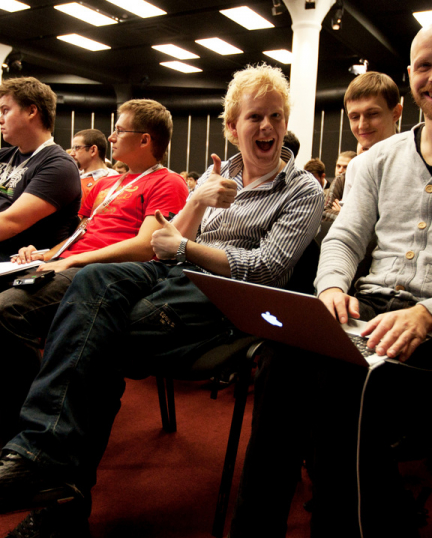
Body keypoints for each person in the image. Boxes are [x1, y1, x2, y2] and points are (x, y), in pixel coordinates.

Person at [229, 19, 432, 538]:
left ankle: (351, 526)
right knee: (281, 356)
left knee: (341, 383)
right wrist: (332, 287)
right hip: (372, 313)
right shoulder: (379, 159)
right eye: (425, 65)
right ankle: (256, 529)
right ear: (410, 74)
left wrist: (428, 315)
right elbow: (343, 239)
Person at [0, 64, 323, 537]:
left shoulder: (303, 188)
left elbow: (266, 269)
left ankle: (53, 489)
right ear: (232, 127)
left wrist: (188, 248)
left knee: (94, 342)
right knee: (94, 282)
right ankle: (45, 467)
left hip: (232, 294)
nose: (267, 126)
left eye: (276, 116)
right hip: (177, 272)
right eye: (255, 117)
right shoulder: (218, 173)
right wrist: (197, 202)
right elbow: (166, 243)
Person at [0, 98, 188, 452]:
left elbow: (144, 246)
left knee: (7, 310)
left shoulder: (169, 182)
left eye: (119, 130)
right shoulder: (108, 184)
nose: (110, 137)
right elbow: (79, 234)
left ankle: (21, 423)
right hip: (71, 263)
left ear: (145, 139)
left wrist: (71, 262)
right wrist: (46, 253)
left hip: (102, 275)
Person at [0, 77, 81, 261]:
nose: (0, 119)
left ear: (31, 111)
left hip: (20, 265)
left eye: (5, 110)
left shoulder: (59, 166)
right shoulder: (3, 155)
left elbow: (11, 222)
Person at [342, 71, 402, 198]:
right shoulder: (356, 165)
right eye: (354, 117)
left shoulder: (415, 160)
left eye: (373, 114)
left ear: (396, 113)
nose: (362, 125)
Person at [67, 129, 118, 205]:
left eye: (77, 148)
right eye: (72, 148)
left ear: (93, 150)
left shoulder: (114, 180)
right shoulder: (70, 177)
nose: (72, 154)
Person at [322, 150, 357, 222]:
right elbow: (324, 213)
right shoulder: (326, 191)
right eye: (338, 166)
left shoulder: (360, 186)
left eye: (345, 167)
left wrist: (343, 212)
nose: (340, 170)